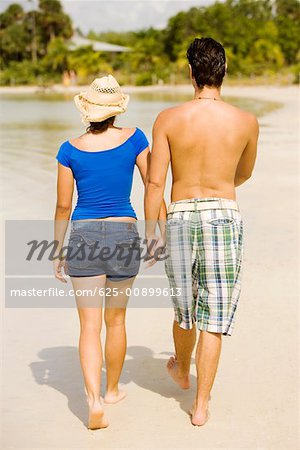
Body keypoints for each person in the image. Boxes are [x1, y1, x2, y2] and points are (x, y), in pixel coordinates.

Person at [145, 37, 259, 426]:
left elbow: (155, 185)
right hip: (223, 214)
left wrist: (151, 232)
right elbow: (243, 173)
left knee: (184, 307)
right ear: (224, 72)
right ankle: (201, 405)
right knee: (215, 314)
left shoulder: (168, 119)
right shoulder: (246, 121)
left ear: (190, 73)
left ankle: (180, 368)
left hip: (178, 216)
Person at [53, 74, 165, 430]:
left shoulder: (68, 149)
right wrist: (160, 233)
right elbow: (153, 187)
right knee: (115, 321)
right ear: (116, 109)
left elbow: (62, 206)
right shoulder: (135, 139)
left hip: (84, 235)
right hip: (125, 233)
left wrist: (58, 250)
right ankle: (113, 390)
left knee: (88, 327)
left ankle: (94, 401)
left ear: (87, 110)